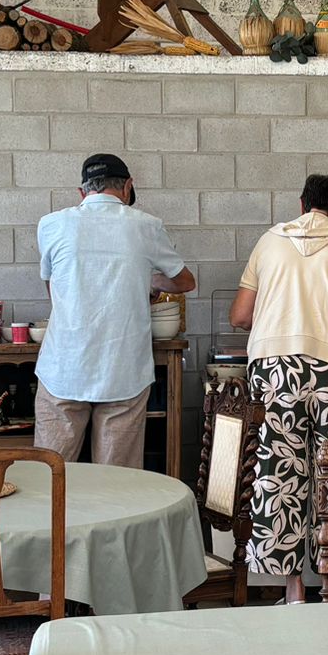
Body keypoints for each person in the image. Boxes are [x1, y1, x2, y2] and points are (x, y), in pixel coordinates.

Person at [231, 174, 328, 601]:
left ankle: (293, 589)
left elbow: (239, 316)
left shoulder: (268, 242)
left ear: (302, 205)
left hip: (275, 368)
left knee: (279, 473)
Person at [34, 153, 195, 469]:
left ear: (82, 192)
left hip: (64, 365)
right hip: (123, 367)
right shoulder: (146, 226)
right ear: (127, 187)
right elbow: (185, 282)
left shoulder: (51, 224)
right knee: (117, 481)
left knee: (49, 473)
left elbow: (55, 291)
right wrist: (150, 280)